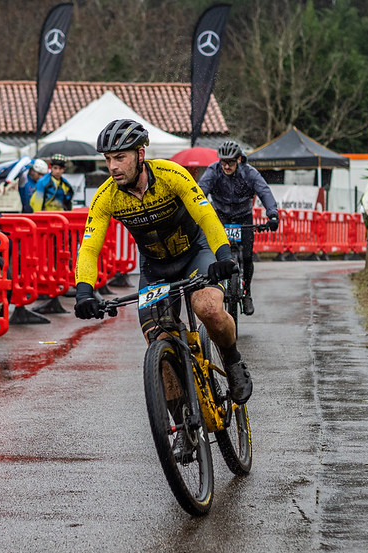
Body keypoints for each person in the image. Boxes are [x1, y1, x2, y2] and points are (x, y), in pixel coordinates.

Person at [73, 118, 252, 404]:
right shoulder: (106, 197)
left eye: (120, 157)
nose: (113, 167)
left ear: (140, 155)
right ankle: (181, 425)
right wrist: (84, 291)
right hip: (155, 269)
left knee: (208, 308)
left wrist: (224, 256)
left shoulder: (172, 175)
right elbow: (90, 247)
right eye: (108, 159)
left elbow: (206, 216)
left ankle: (232, 361)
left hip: (195, 254)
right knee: (158, 340)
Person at [197, 141, 279, 316]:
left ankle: (247, 292)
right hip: (220, 216)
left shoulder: (250, 173)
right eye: (223, 161)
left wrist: (272, 214)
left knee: (247, 256)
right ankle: (216, 290)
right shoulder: (213, 171)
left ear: (239, 160)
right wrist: (192, 212)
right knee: (215, 255)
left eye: (231, 162)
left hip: (243, 218)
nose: (226, 166)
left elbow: (264, 191)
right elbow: (199, 192)